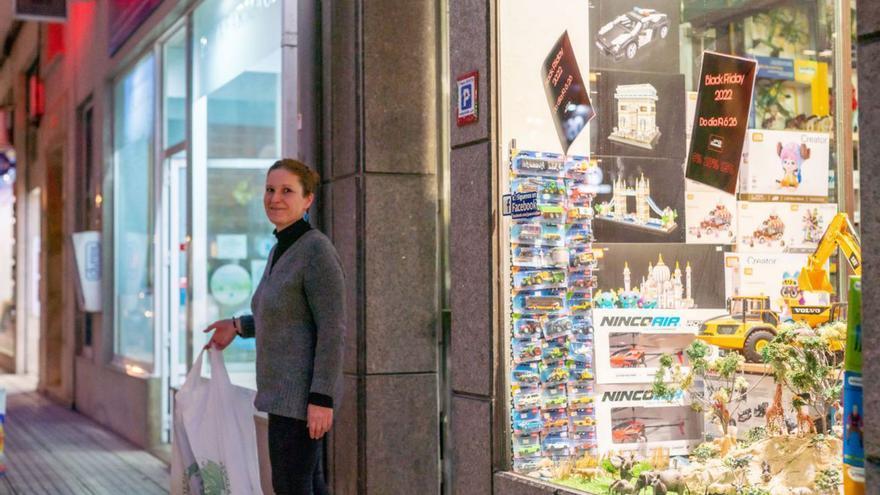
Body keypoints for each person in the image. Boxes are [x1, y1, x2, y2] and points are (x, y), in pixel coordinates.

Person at [204, 158, 345, 495]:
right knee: (306, 484)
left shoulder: (315, 251)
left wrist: (321, 399)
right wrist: (238, 326)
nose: (274, 198)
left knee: (291, 486)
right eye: (270, 190)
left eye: (286, 191)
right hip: (284, 396)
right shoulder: (282, 248)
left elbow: (332, 329)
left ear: (308, 199)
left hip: (302, 399)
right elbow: (284, 318)